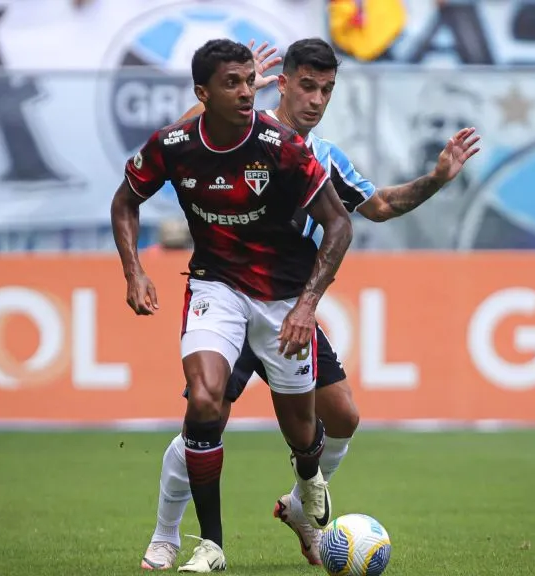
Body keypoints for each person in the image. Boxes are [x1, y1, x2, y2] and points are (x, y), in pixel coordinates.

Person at [139, 38, 481, 571]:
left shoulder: (325, 157)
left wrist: (436, 179)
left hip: (285, 308)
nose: (317, 99)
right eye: (307, 86)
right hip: (228, 290)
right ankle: (166, 535)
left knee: (342, 414)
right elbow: (181, 139)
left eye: (327, 89)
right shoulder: (236, 129)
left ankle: (301, 505)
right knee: (205, 417)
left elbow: (381, 206)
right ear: (283, 82)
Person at [110, 39, 355, 573]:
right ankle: (200, 543)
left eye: (250, 82)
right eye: (234, 83)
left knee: (309, 428)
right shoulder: (174, 144)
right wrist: (134, 270)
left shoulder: (282, 146)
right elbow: (126, 199)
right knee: (204, 403)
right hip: (216, 286)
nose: (248, 92)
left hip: (285, 298)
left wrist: (307, 305)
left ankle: (307, 481)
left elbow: (342, 222)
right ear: (202, 93)